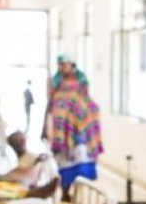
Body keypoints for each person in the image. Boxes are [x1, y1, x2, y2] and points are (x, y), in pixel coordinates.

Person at [43, 56, 104, 194]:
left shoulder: (81, 81)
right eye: (60, 65)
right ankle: (65, 191)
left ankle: (76, 192)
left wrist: (84, 114)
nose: (62, 68)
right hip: (61, 131)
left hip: (79, 132)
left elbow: (86, 102)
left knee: (80, 164)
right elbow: (51, 104)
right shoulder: (56, 82)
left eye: (64, 64)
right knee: (64, 163)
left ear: (71, 65)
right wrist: (45, 129)